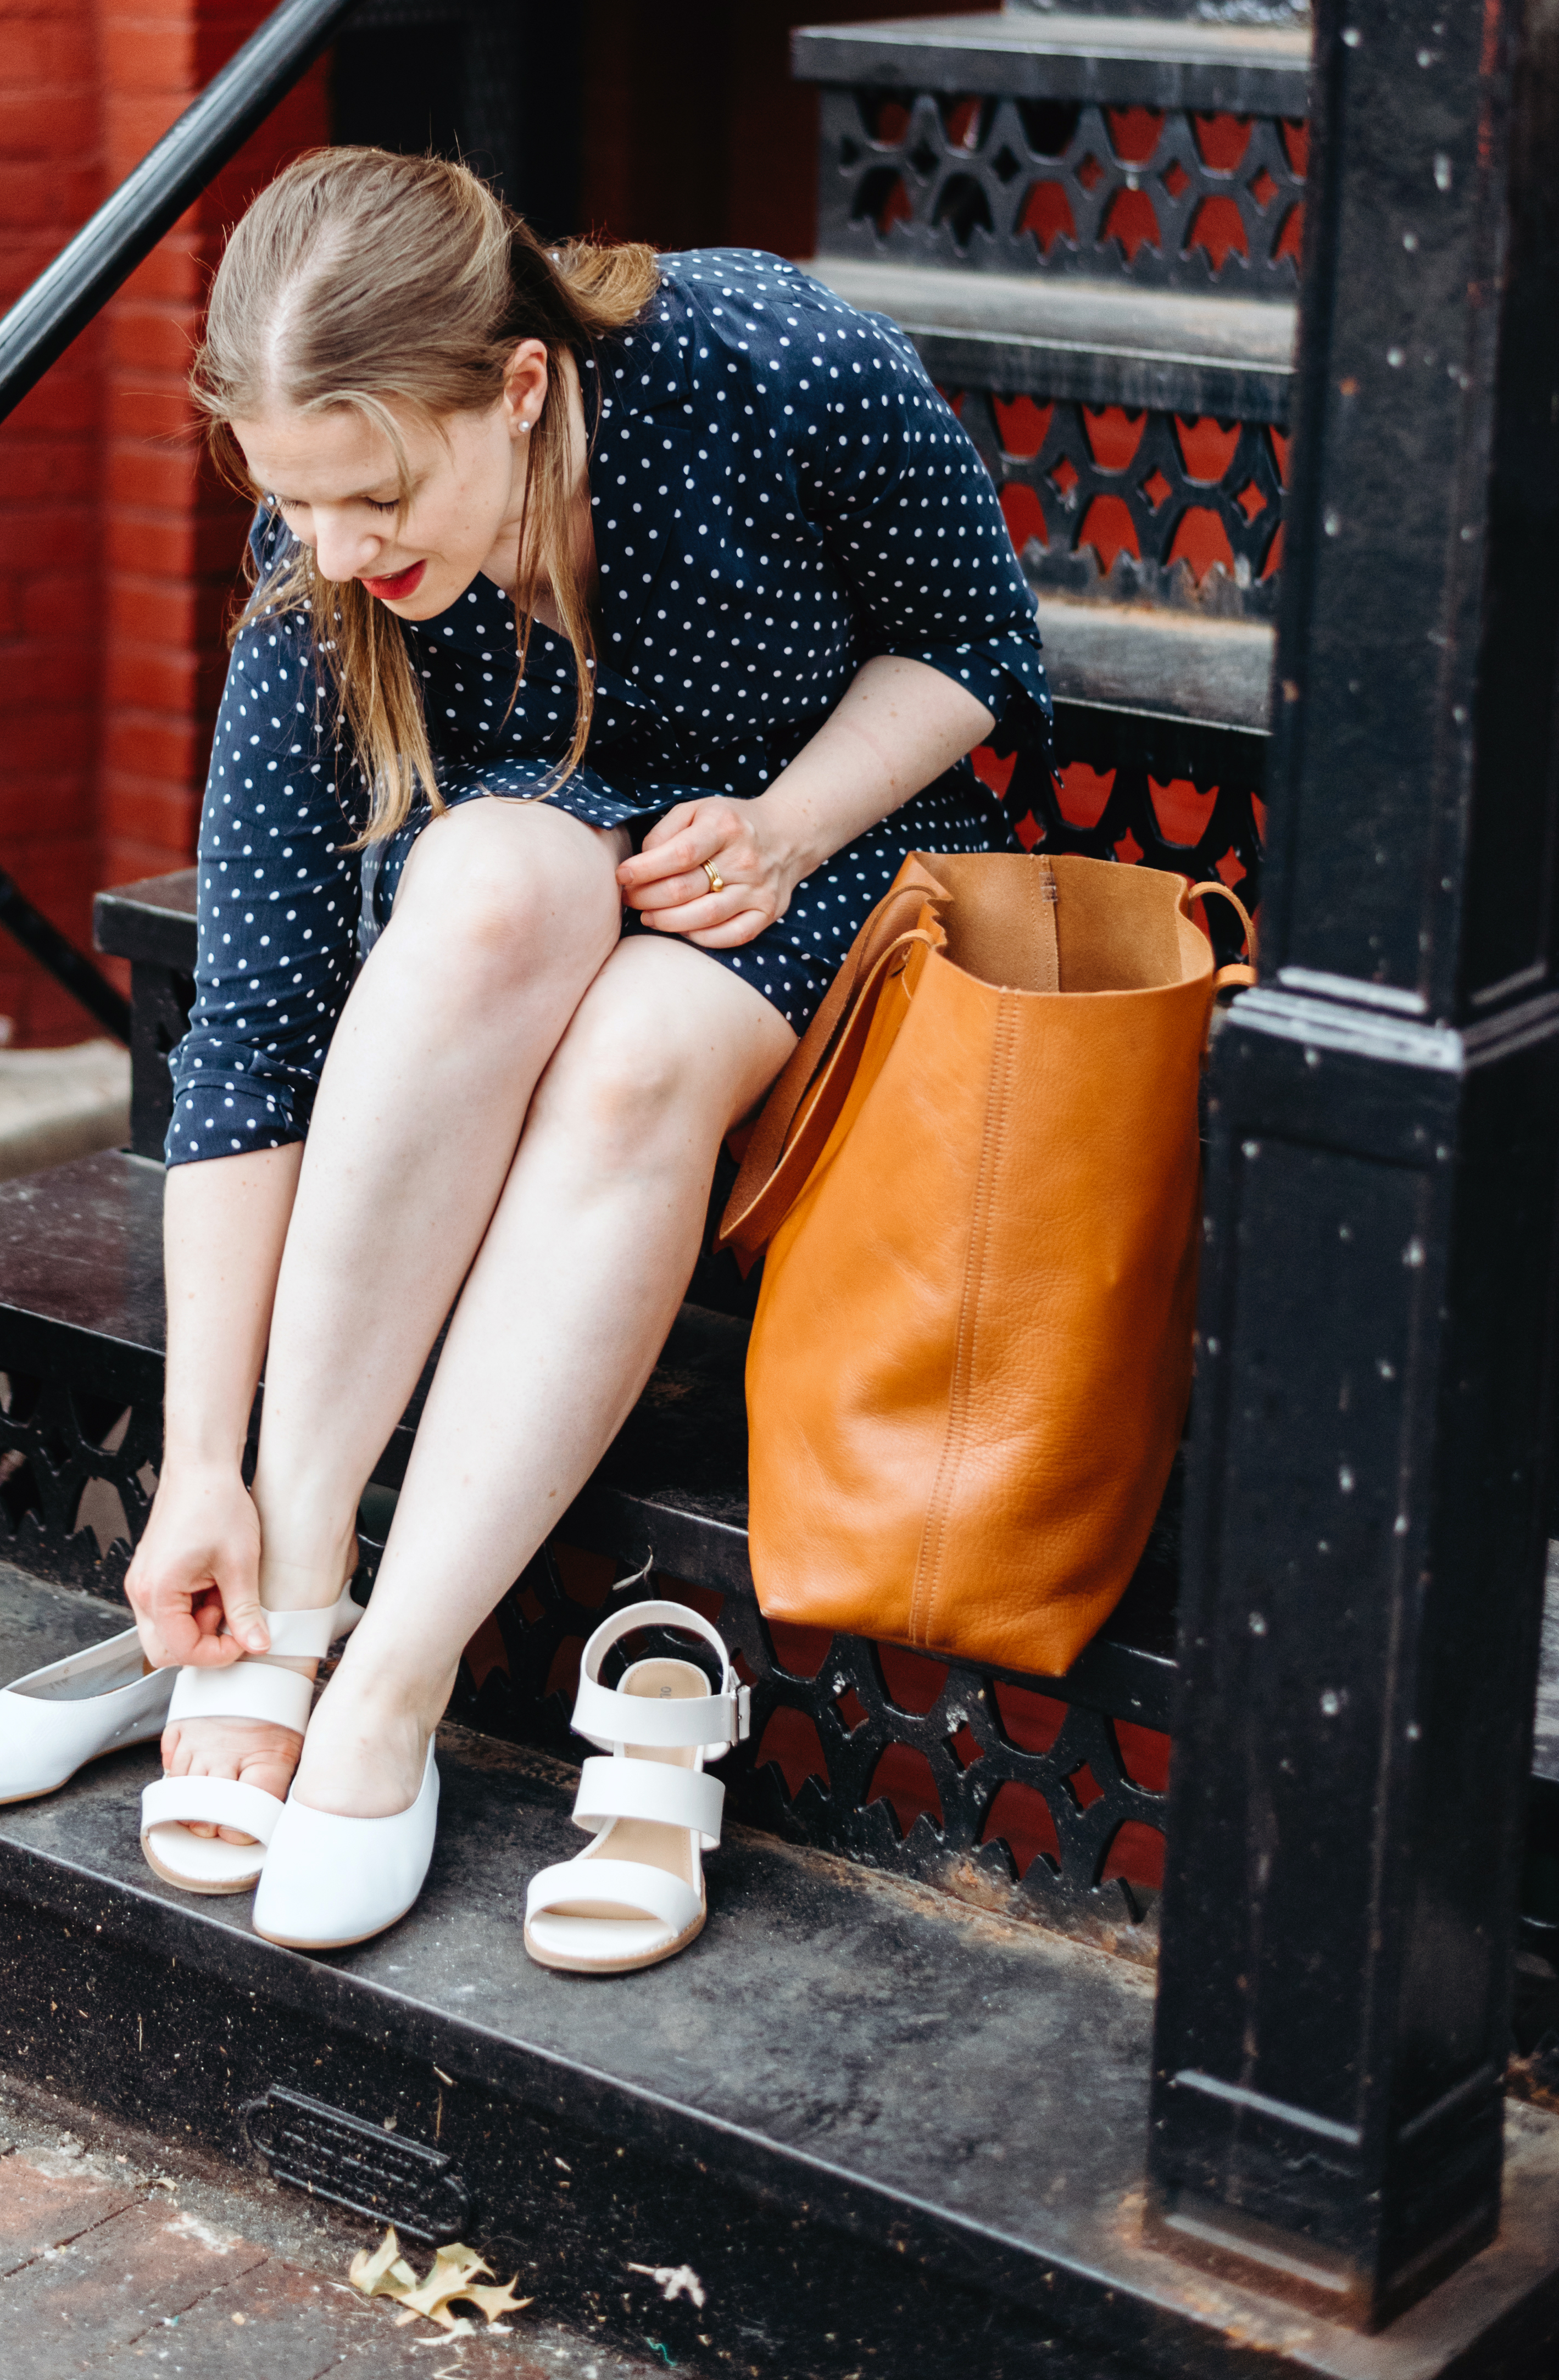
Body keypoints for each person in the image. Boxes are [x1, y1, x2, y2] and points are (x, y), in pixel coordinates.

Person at [116, 146, 1048, 1964]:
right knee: (480, 888)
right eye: (292, 502)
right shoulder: (322, 556)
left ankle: (393, 1679)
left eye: (373, 493)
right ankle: (293, 1597)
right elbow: (250, 1031)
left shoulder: (770, 364)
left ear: (522, 386)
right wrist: (193, 1465)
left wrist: (782, 827)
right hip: (519, 880)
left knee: (633, 1053)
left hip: (806, 845)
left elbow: (973, 648)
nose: (334, 551)